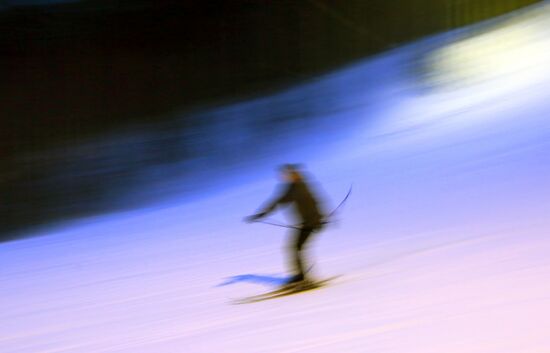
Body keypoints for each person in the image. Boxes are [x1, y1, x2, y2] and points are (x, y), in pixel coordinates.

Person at [245, 164, 326, 285]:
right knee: (295, 248)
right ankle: (301, 276)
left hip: (311, 223)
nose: (282, 177)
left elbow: (313, 202)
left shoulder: (299, 187)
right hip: (308, 223)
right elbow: (278, 201)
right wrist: (261, 214)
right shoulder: (294, 187)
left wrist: (319, 219)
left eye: (285, 174)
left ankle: (301, 278)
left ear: (292, 174)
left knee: (295, 248)